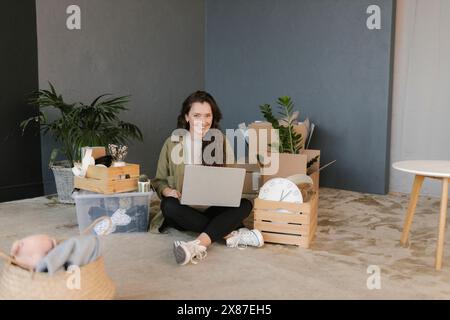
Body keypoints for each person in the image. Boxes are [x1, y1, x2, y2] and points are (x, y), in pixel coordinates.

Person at [151, 91, 264, 266]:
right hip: (185, 209)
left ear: (213, 117)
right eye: (196, 115)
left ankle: (196, 245)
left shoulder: (221, 141)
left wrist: (228, 191)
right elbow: (158, 181)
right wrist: (168, 191)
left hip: (213, 207)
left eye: (207, 115)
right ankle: (228, 233)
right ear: (186, 117)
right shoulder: (172, 143)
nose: (202, 121)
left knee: (246, 204)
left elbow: (232, 178)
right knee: (168, 206)